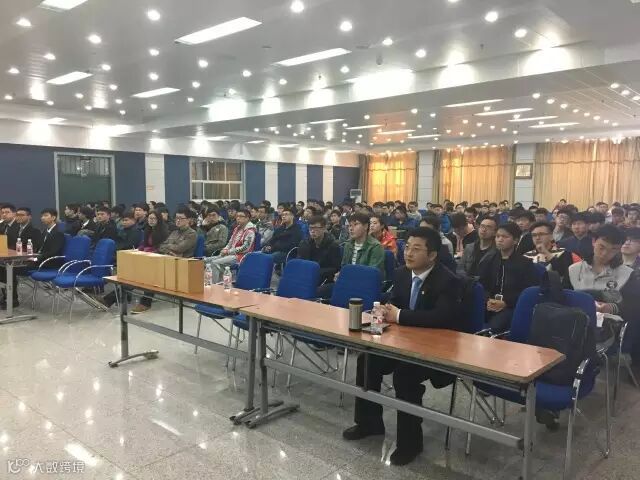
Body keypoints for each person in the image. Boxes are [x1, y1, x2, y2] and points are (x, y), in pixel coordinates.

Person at [342, 227, 465, 466]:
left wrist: (399, 316)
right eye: (407, 247)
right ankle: (369, 423)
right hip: (403, 342)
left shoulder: (449, 281)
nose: (408, 253)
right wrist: (385, 310)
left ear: (432, 255)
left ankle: (410, 443)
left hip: (435, 349)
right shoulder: (401, 274)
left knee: (405, 375)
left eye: (416, 249)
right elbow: (395, 302)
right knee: (367, 360)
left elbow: (441, 317)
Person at [569, 225, 640, 364]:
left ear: (619, 249)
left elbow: (634, 307)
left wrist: (610, 307)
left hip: (607, 327)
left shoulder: (626, 274)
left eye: (613, 250)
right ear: (593, 241)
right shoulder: (574, 270)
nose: (605, 254)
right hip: (575, 321)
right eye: (601, 247)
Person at [131, 208, 198, 314]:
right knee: (138, 269)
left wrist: (170, 248)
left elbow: (180, 248)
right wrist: (171, 249)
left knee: (151, 272)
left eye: (181, 218)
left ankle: (145, 303)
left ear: (189, 220)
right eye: (176, 218)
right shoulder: (174, 232)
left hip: (182, 263)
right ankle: (114, 297)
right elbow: (161, 246)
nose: (178, 220)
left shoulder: (191, 234)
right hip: (167, 259)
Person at [478, 223, 538, 331]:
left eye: (505, 237)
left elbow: (527, 291)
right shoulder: (489, 260)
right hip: (489, 303)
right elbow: (482, 285)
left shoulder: (525, 263)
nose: (500, 239)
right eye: (497, 236)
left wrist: (506, 302)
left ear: (515, 240)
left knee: (495, 326)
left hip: (512, 306)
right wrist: (487, 300)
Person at [206, 208, 256, 283]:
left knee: (215, 263)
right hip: (230, 253)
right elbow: (230, 243)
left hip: (241, 256)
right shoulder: (237, 229)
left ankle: (214, 285)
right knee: (206, 261)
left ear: (247, 218)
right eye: (237, 216)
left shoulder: (250, 231)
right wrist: (225, 249)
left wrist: (228, 251)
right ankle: (218, 282)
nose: (238, 218)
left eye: (241, 216)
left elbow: (245, 248)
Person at [523, 221, 575, 287]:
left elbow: (563, 273)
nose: (537, 238)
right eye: (534, 235)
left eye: (541, 234)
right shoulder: (526, 256)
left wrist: (546, 252)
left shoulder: (564, 253)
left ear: (551, 236)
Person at [297, 215, 342, 285]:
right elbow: (300, 261)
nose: (312, 231)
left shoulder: (333, 245)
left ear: (324, 229)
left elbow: (335, 268)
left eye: (316, 228)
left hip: (324, 278)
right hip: (307, 275)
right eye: (310, 228)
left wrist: (316, 271)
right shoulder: (305, 243)